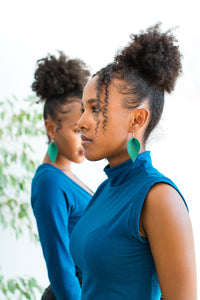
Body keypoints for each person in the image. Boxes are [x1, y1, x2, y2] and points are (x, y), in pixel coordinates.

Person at [70, 24, 197, 300]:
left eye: (95, 108)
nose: (80, 122)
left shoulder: (159, 198)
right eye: (83, 109)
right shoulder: (106, 190)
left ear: (137, 119)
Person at [31, 51, 93, 300]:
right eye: (77, 130)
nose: (85, 137)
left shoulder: (67, 177)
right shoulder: (49, 182)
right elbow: (61, 268)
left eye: (86, 128)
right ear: (51, 128)